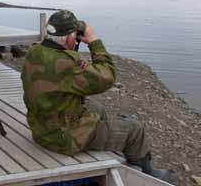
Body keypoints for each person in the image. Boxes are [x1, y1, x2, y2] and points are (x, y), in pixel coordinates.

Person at [21, 10, 173, 182]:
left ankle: (109, 141)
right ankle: (147, 173)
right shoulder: (67, 64)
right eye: (75, 36)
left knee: (97, 108)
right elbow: (106, 77)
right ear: (71, 38)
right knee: (135, 130)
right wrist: (93, 41)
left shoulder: (34, 52)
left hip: (41, 129)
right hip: (63, 138)